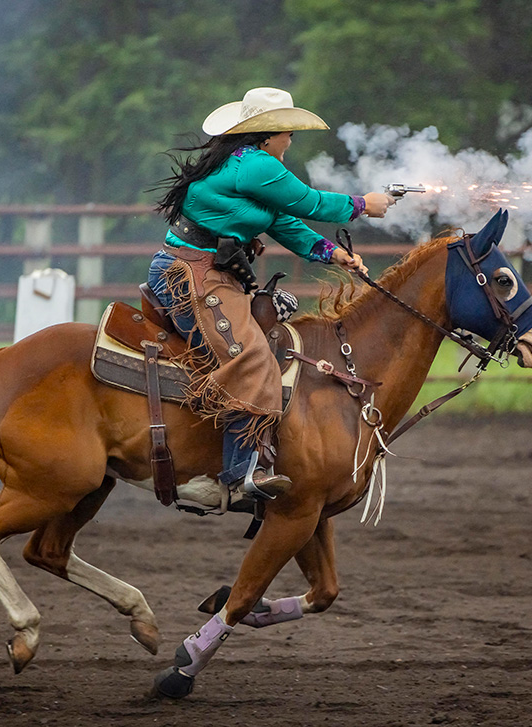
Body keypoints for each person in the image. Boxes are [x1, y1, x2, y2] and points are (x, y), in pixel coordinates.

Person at [149, 87, 392, 503]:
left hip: (206, 274)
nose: (291, 140)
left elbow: (284, 221)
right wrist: (361, 204)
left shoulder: (243, 164)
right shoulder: (256, 165)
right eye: (288, 133)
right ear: (268, 134)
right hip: (193, 276)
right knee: (251, 357)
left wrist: (333, 253)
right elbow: (308, 202)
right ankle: (239, 474)